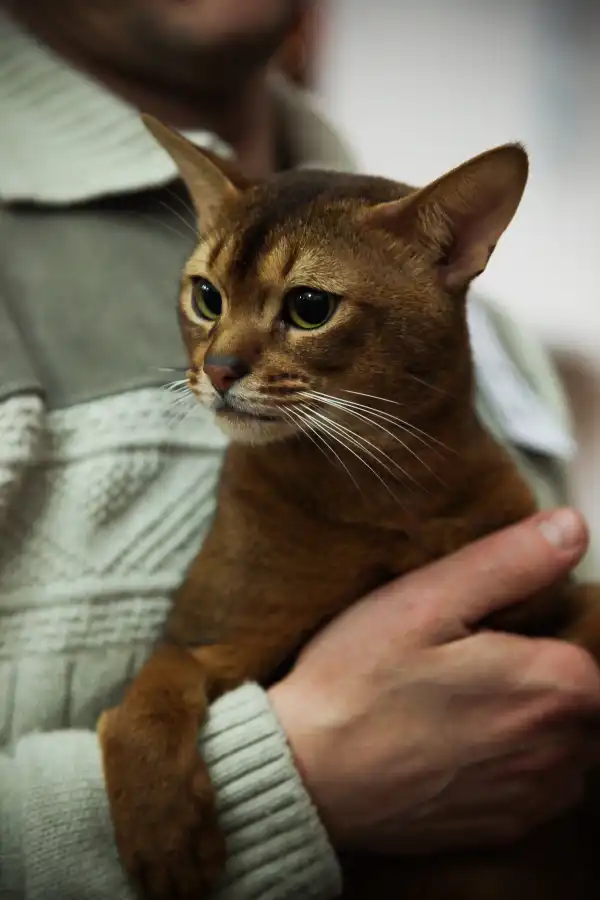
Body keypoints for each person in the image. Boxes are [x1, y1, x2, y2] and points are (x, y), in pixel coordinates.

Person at [0, 2, 599, 898]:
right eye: (206, 300)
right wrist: (298, 779)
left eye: (307, 308)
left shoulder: (481, 334)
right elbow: (191, 659)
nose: (222, 363)